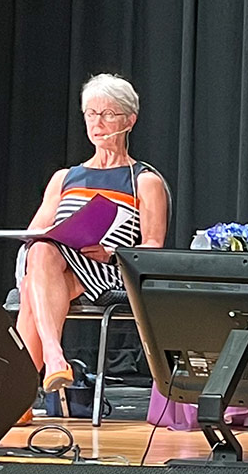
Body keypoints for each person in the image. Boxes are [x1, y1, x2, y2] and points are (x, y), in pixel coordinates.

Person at [13, 74, 169, 396]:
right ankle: (53, 361)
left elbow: (153, 247)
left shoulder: (144, 180)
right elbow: (35, 234)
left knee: (34, 281)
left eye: (108, 114)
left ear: (130, 120)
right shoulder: (65, 178)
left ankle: (20, 396)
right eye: (91, 114)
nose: (97, 122)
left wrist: (112, 254)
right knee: (40, 255)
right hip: (60, 267)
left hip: (109, 269)